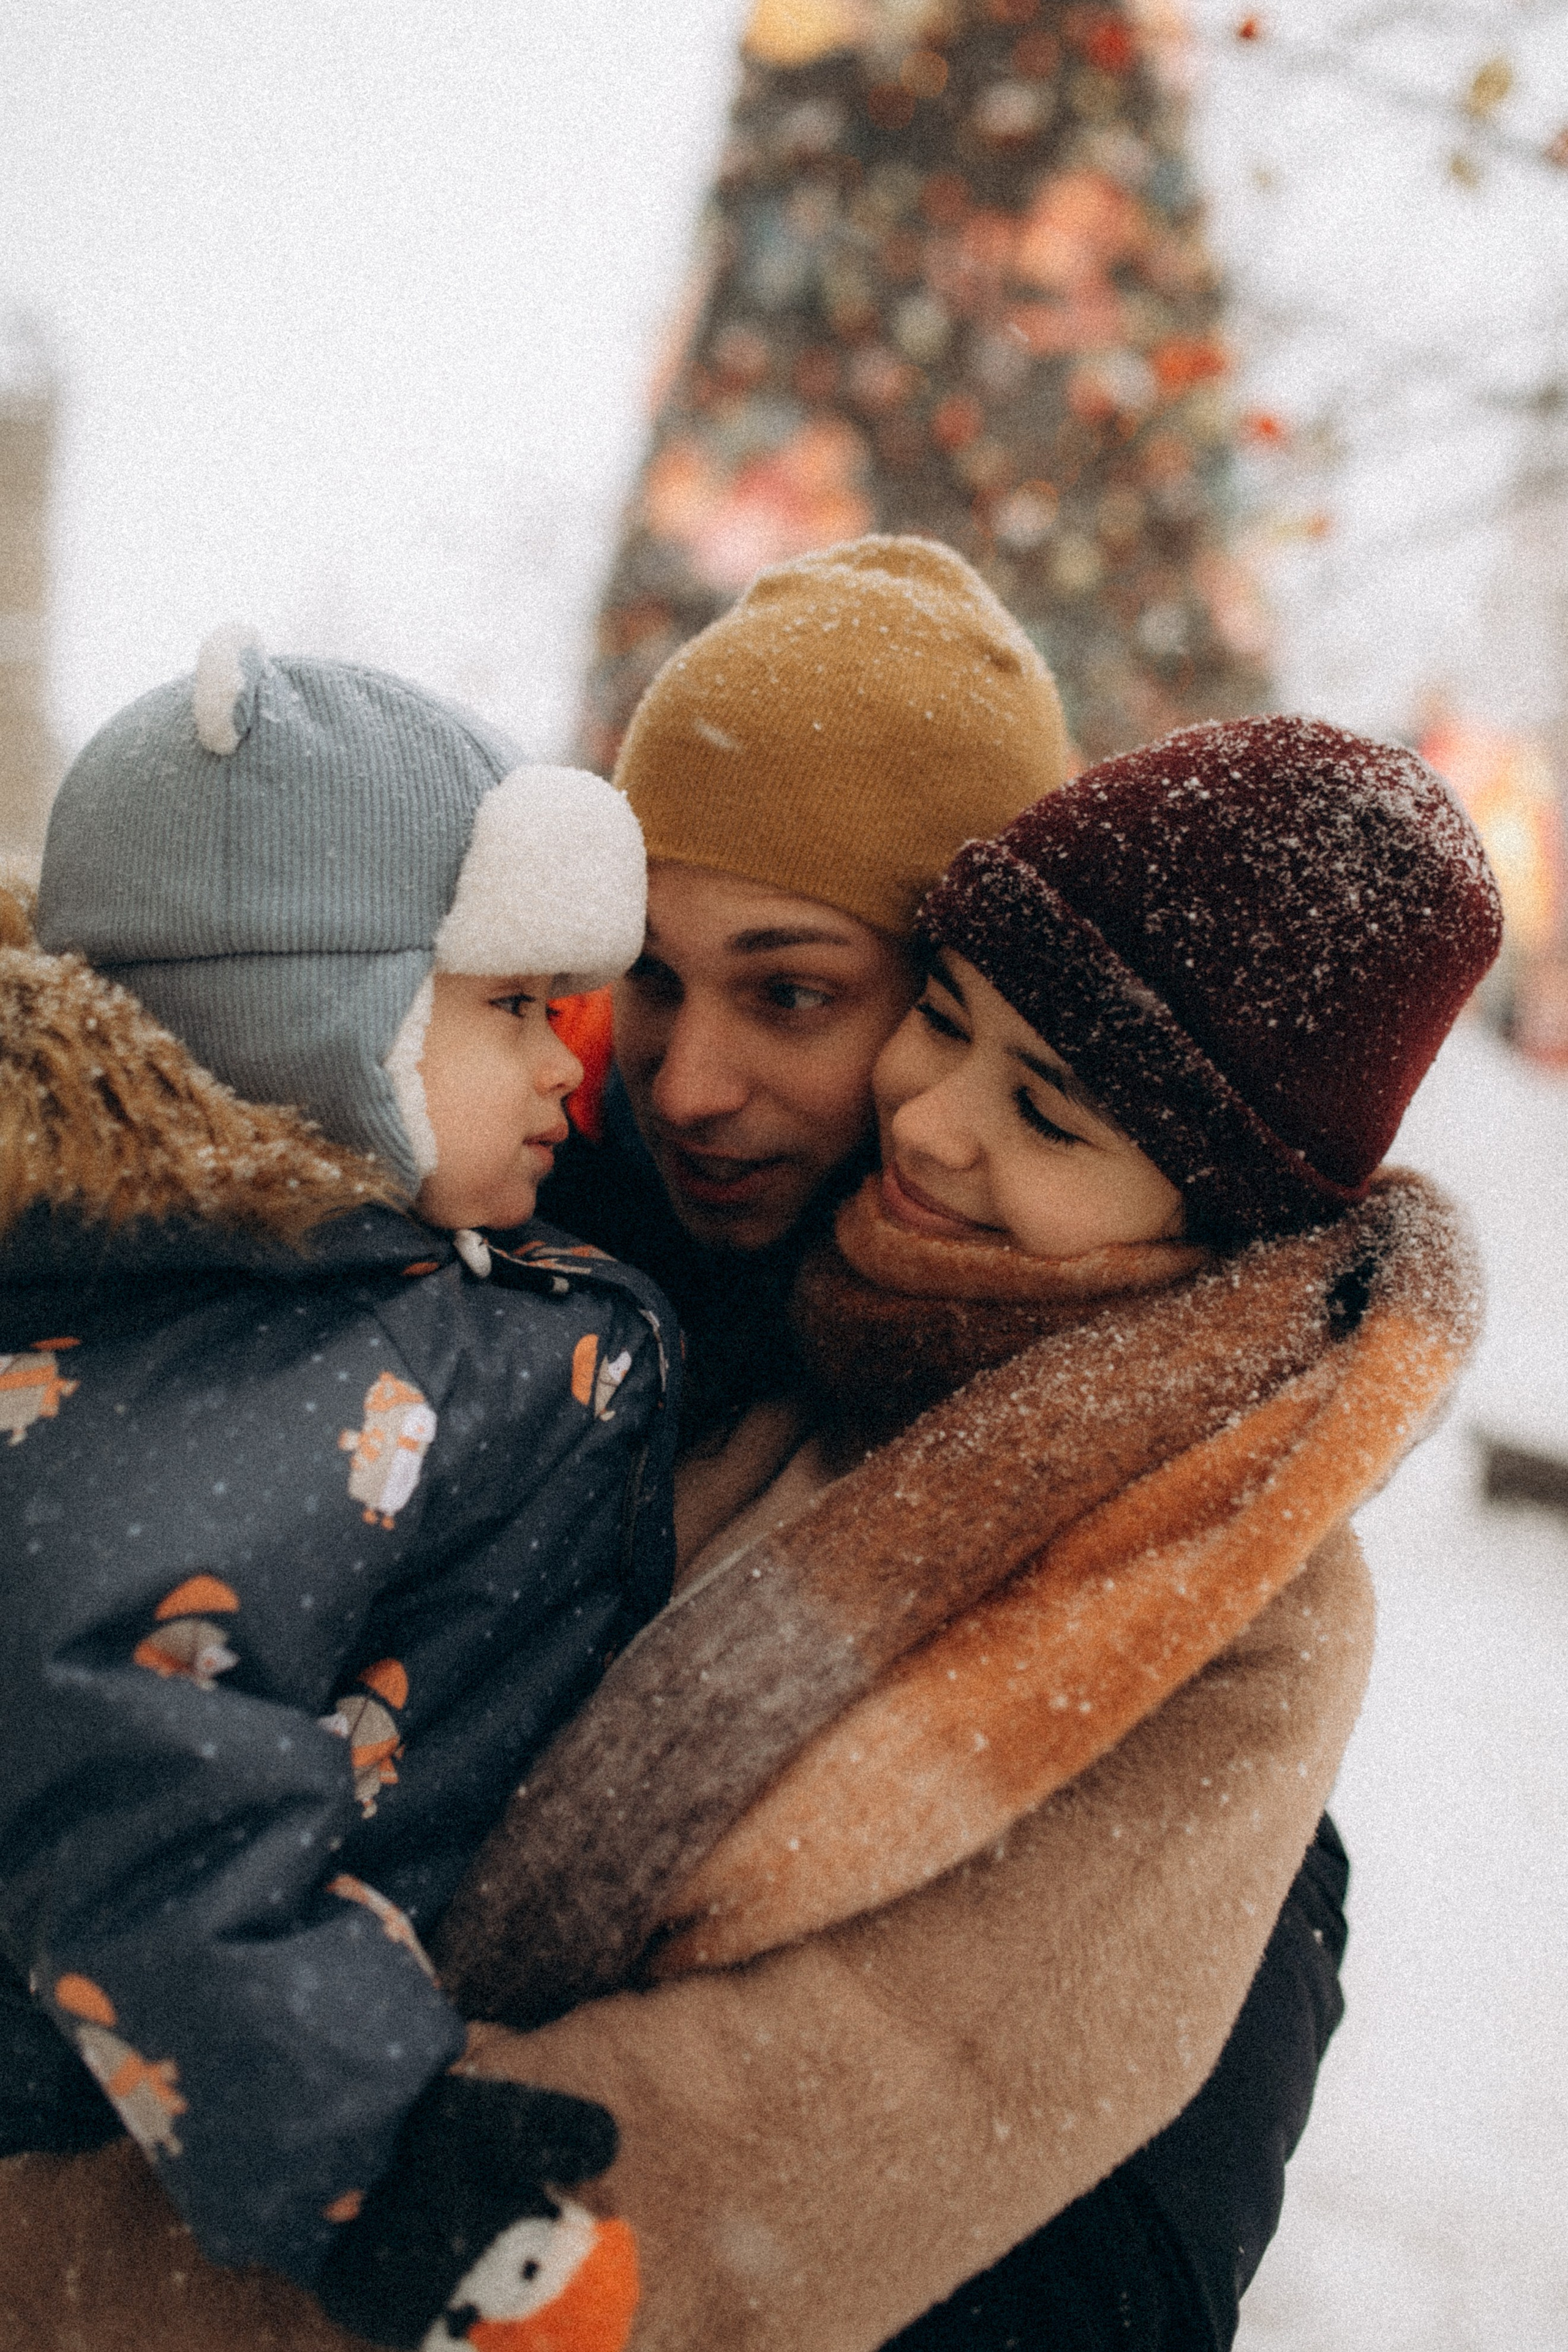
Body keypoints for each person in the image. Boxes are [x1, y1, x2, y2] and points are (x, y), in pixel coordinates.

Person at [437, 711, 1496, 2351]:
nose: (931, 1121)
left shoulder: (1223, 1597)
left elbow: (771, 2156)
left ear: (1219, 1211)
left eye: (1051, 1116)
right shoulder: (781, 1327)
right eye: (943, 1019)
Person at [0, 636, 680, 2352]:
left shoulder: (355, 1287)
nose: (570, 1064)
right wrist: (381, 2165)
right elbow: (136, 1779)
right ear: (321, 1018)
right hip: (156, 2119)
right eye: (511, 1008)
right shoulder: (244, 1354)